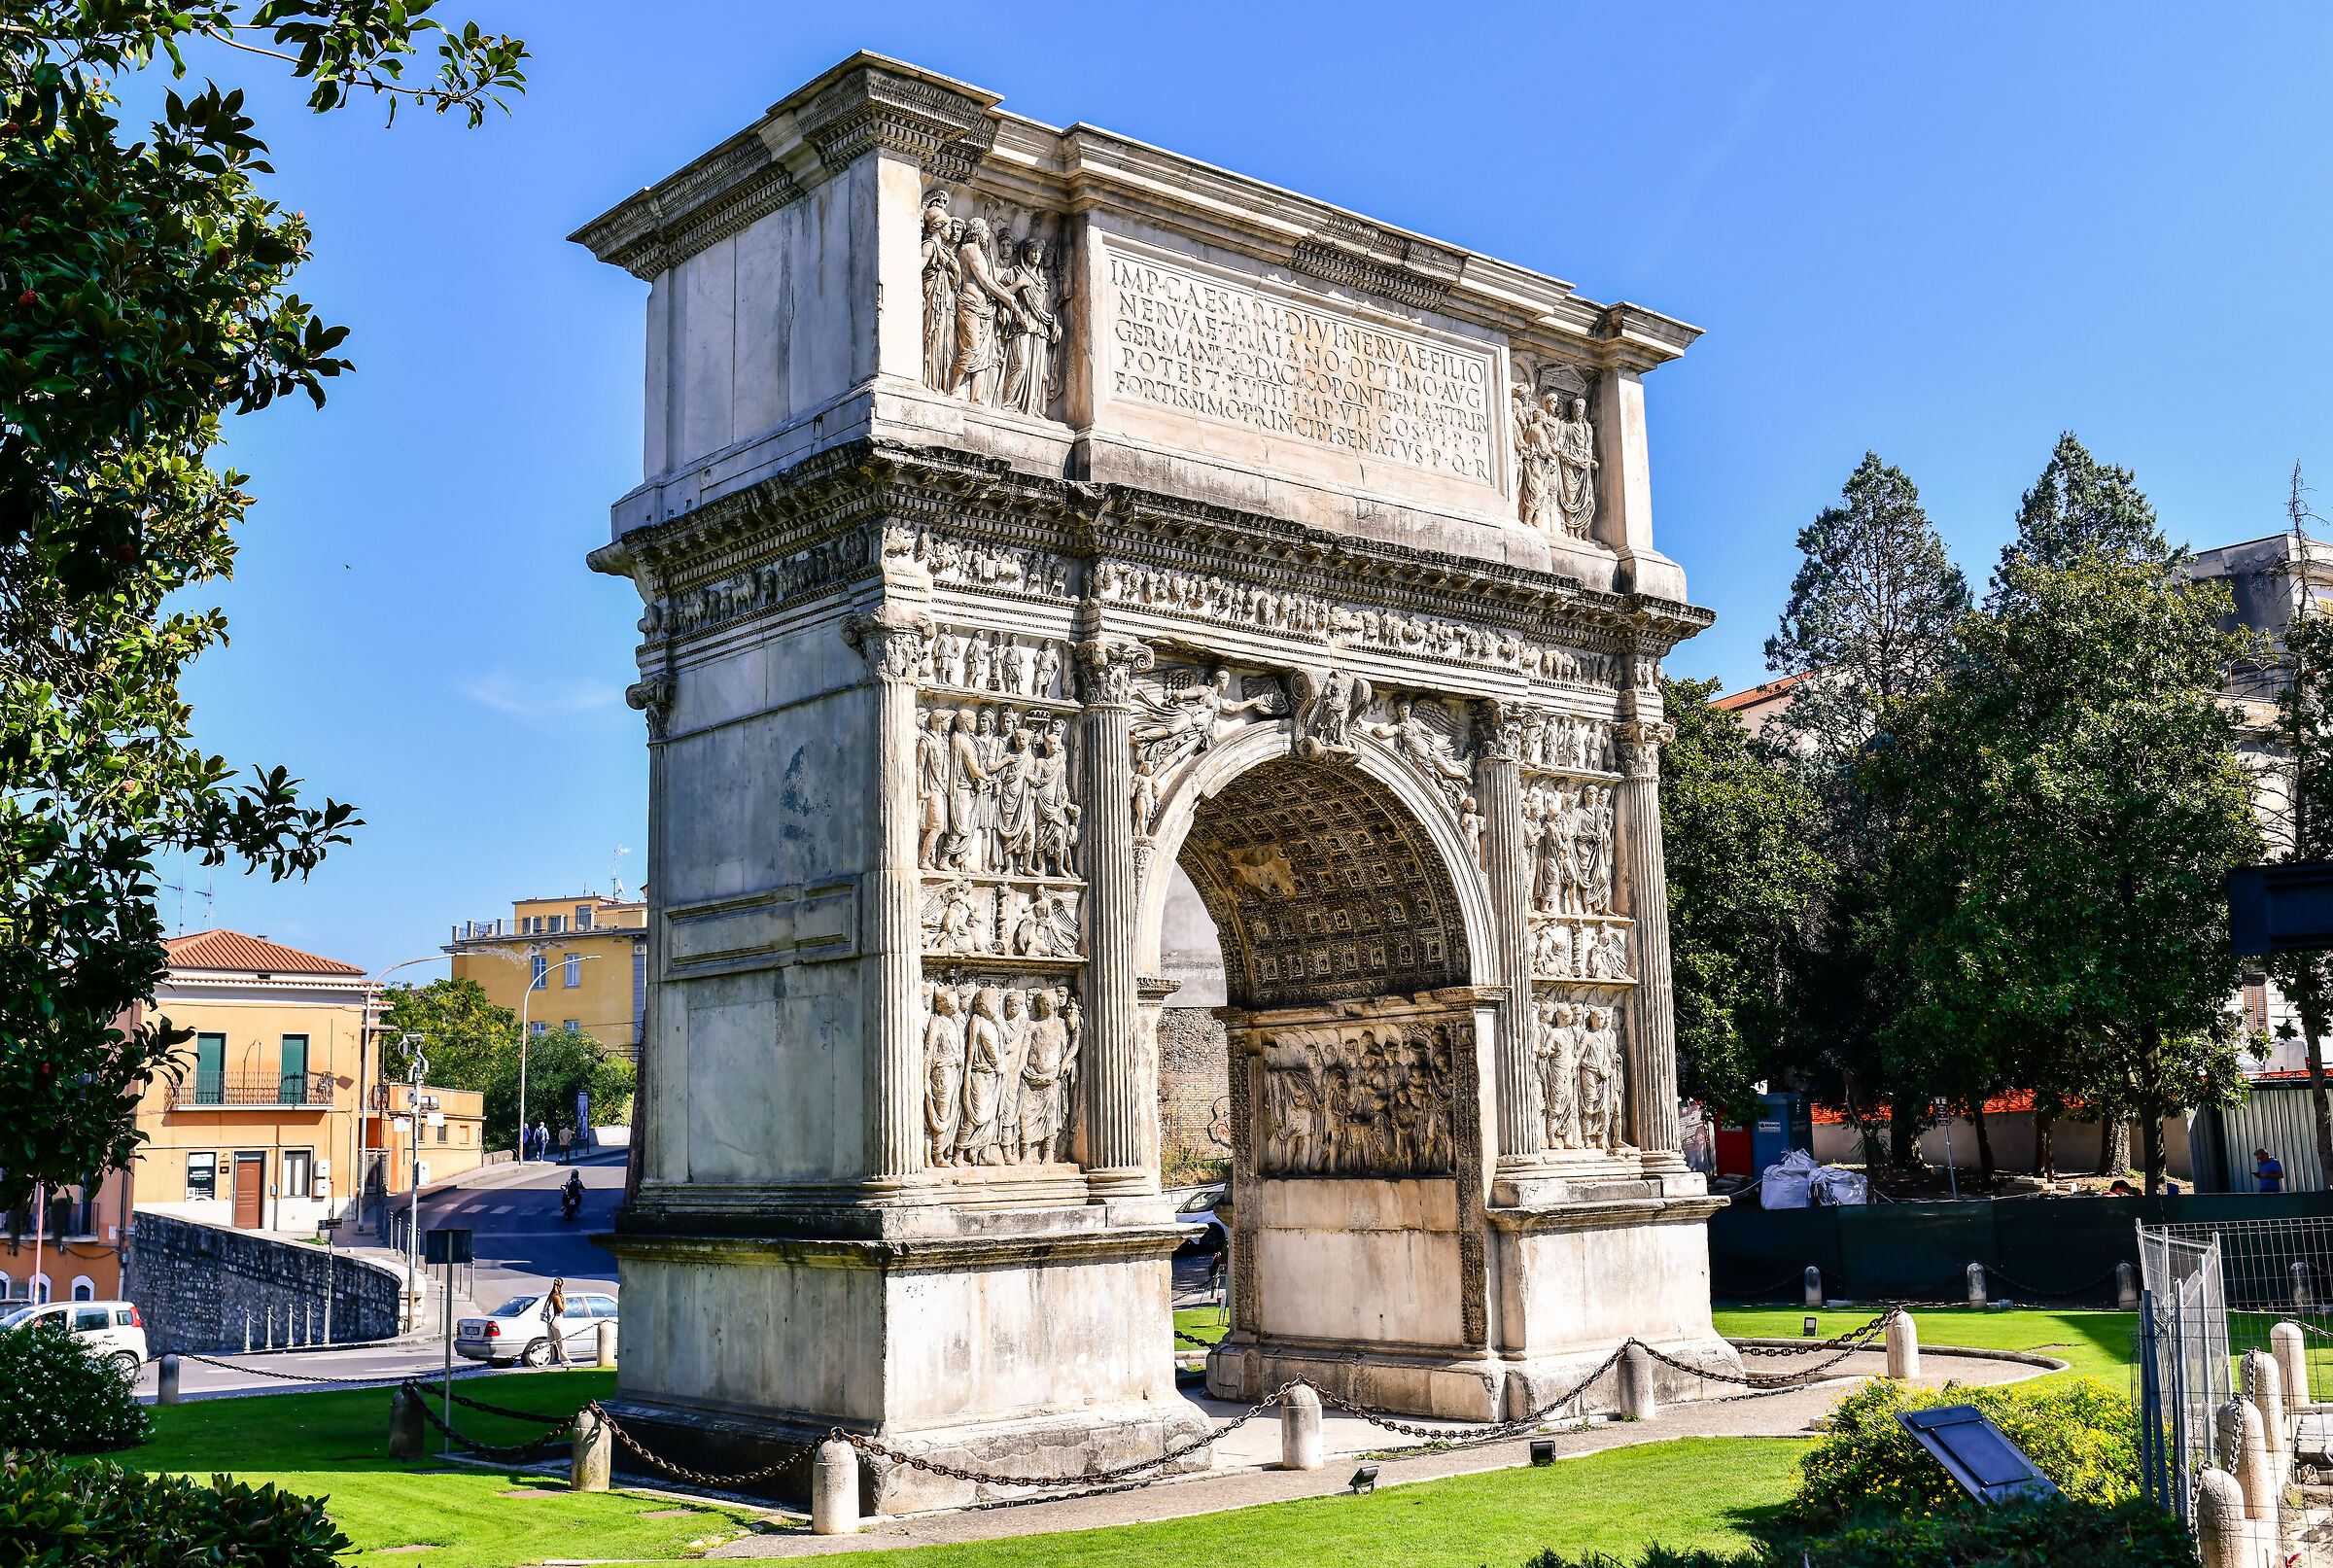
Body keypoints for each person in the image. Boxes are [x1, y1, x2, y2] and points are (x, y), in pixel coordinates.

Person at [541, 1277, 570, 1365]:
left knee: (549, 1341)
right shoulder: (557, 1296)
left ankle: (536, 1355)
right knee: (561, 1341)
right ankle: (565, 1360)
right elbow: (562, 1309)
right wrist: (564, 1300)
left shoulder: (551, 1295)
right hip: (557, 1320)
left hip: (551, 1321)